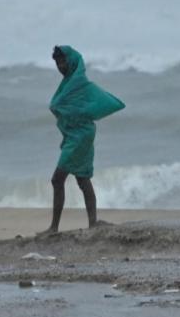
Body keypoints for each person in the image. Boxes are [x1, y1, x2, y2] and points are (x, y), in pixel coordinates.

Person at [39, 45, 125, 235]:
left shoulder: (83, 85)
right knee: (83, 179)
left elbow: (108, 103)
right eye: (57, 63)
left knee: (57, 179)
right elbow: (60, 108)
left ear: (72, 62)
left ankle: (54, 228)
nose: (60, 66)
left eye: (63, 61)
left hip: (81, 137)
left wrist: (79, 114)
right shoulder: (67, 84)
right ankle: (92, 223)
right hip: (75, 136)